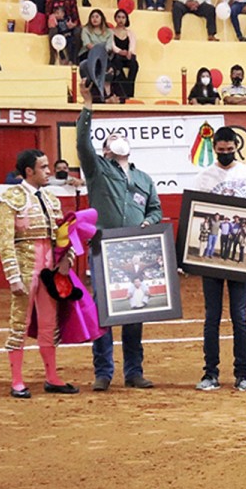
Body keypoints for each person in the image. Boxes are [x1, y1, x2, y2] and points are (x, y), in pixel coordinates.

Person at [78, 86, 162, 392]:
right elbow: (81, 144)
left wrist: (147, 221)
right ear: (105, 151)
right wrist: (88, 107)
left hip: (134, 250)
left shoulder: (144, 179)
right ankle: (103, 372)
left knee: (134, 309)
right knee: (104, 311)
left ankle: (133, 371)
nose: (116, 138)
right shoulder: (97, 170)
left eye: (119, 136)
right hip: (104, 249)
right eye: (110, 138)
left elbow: (155, 209)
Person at [193, 127, 246, 392]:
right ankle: (211, 373)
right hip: (213, 255)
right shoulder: (203, 177)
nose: (226, 154)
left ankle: (242, 374)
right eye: (221, 151)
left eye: (230, 150)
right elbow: (198, 214)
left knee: (239, 316)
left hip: (240, 253)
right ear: (215, 148)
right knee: (212, 316)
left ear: (236, 148)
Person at [0, 149, 78, 398]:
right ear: (29, 171)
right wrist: (13, 276)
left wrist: (67, 261)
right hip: (24, 267)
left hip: (49, 271)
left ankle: (52, 377)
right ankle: (17, 381)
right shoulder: (10, 198)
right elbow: (5, 242)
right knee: (19, 323)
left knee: (49, 324)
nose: (49, 171)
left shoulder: (51, 199)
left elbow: (63, 238)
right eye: (43, 167)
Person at [45, 0, 80, 65]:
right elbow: (47, 14)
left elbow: (76, 16)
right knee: (53, 32)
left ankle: (74, 60)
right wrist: (55, 17)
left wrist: (73, 24)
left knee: (77, 32)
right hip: (56, 25)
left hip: (68, 25)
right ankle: (53, 59)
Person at [109, 9, 139, 99]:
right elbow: (112, 45)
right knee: (117, 62)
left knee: (134, 64)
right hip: (117, 55)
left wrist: (129, 52)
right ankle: (126, 90)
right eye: (118, 17)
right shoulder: (110, 32)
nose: (121, 20)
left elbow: (132, 44)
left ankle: (129, 90)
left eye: (123, 17)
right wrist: (120, 51)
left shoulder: (129, 32)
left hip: (127, 55)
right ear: (115, 19)